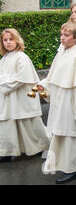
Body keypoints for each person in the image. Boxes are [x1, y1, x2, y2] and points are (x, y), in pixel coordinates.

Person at [38, 22, 76, 184]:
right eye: (62, 35)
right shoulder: (62, 53)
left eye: (66, 35)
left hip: (71, 103)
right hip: (60, 100)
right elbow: (53, 76)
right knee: (61, 134)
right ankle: (65, 165)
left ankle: (72, 169)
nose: (62, 38)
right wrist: (43, 85)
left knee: (71, 135)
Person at [0, 29, 50, 163]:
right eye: (5, 40)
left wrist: (3, 82)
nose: (8, 42)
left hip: (21, 98)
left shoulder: (21, 57)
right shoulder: (4, 59)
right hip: (10, 99)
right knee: (8, 124)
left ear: (17, 40)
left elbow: (22, 78)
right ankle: (7, 151)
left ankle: (41, 145)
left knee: (28, 124)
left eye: (11, 39)